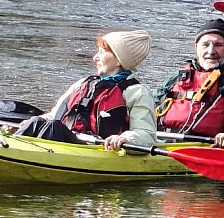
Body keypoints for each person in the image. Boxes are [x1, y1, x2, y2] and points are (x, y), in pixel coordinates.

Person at [13, 30, 156, 151]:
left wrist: (126, 138)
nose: (95, 57)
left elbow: (146, 135)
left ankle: (16, 153)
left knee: (53, 127)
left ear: (119, 60)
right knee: (37, 121)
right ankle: (10, 145)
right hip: (67, 141)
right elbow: (54, 116)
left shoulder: (137, 92)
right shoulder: (83, 83)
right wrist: (35, 123)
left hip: (96, 150)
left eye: (102, 52)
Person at [155, 19, 224, 148]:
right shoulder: (176, 79)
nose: (211, 51)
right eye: (205, 44)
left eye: (218, 45)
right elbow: (150, 106)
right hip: (160, 142)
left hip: (204, 146)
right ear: (196, 47)